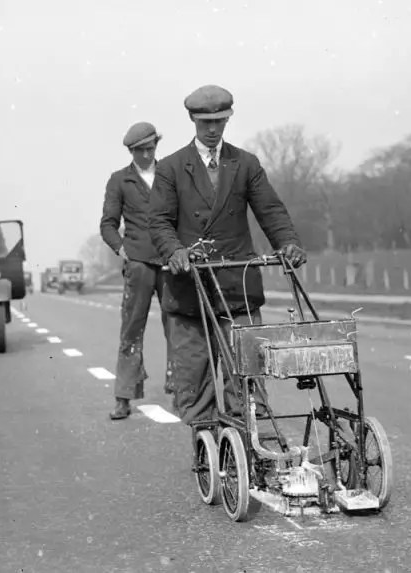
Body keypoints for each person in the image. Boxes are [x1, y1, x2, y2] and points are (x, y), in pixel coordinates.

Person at [148, 85, 307, 425]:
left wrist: (287, 242)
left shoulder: (245, 163)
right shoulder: (171, 168)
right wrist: (174, 250)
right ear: (192, 119)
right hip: (189, 290)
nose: (212, 129)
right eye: (205, 121)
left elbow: (271, 211)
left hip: (238, 288)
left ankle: (255, 451)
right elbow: (159, 221)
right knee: (195, 383)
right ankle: (210, 456)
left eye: (220, 121)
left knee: (248, 377)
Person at [100, 121, 173, 420]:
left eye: (150, 148)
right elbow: (107, 224)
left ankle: (182, 389)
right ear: (131, 151)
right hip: (139, 264)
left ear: (157, 145)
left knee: (179, 327)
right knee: (131, 329)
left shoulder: (170, 174)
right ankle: (124, 396)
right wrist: (122, 249)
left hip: (171, 262)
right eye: (140, 150)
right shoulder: (119, 180)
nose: (146, 154)